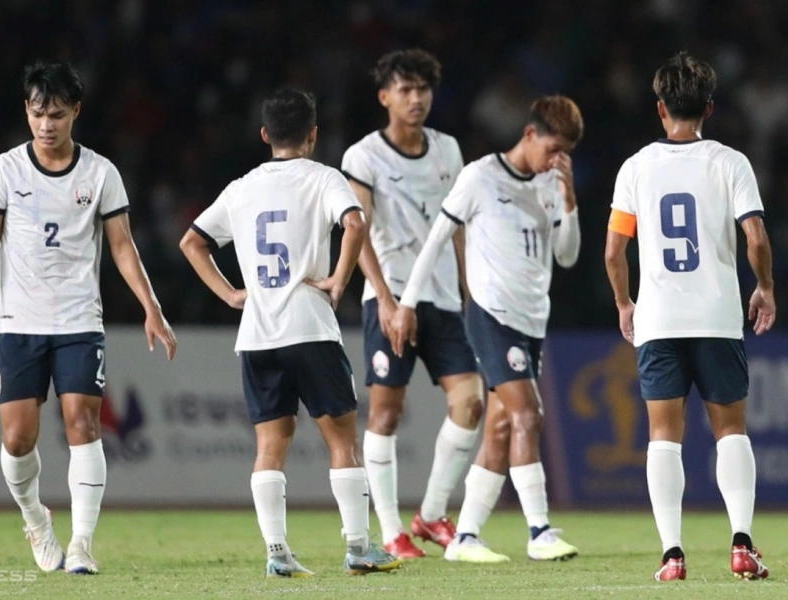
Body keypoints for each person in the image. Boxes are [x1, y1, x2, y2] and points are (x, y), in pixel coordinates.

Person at [0, 61, 178, 575]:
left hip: (78, 321)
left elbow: (122, 247)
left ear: (76, 111)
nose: (46, 125)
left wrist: (152, 307)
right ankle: (36, 519)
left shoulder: (100, 173)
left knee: (84, 424)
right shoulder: (4, 170)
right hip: (19, 321)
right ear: (26, 112)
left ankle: (82, 544)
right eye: (37, 114)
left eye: (55, 114)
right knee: (17, 439)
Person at [179, 88, 402, 578]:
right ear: (313, 134)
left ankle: (277, 552)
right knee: (342, 440)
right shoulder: (323, 178)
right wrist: (339, 279)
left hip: (258, 334)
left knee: (269, 446)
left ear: (265, 134)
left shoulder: (241, 188)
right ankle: (359, 547)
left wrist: (231, 295)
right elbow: (355, 223)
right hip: (310, 325)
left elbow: (192, 242)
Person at [604, 52, 775, 582]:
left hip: (659, 319)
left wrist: (624, 302)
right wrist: (765, 287)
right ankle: (741, 543)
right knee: (732, 431)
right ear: (710, 107)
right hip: (716, 314)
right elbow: (756, 237)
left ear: (661, 107)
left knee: (663, 435)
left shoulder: (635, 167)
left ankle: (672, 555)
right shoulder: (730, 162)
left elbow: (614, 252)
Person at [391, 96, 584, 563]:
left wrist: (570, 201)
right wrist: (406, 303)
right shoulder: (480, 177)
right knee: (529, 415)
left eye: (565, 153)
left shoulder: (551, 184)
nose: (556, 160)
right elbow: (436, 240)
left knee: (500, 426)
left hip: (532, 319)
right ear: (530, 134)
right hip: (492, 315)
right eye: (553, 149)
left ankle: (465, 537)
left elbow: (567, 256)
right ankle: (539, 530)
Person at [340, 48, 483, 558]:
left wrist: (471, 293)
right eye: (405, 90)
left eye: (422, 89)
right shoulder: (363, 156)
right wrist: (384, 299)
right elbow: (357, 231)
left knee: (470, 403)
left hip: (442, 298)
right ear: (385, 97)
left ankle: (432, 512)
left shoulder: (448, 150)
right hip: (392, 296)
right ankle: (391, 530)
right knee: (386, 414)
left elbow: (459, 228)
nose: (416, 98)